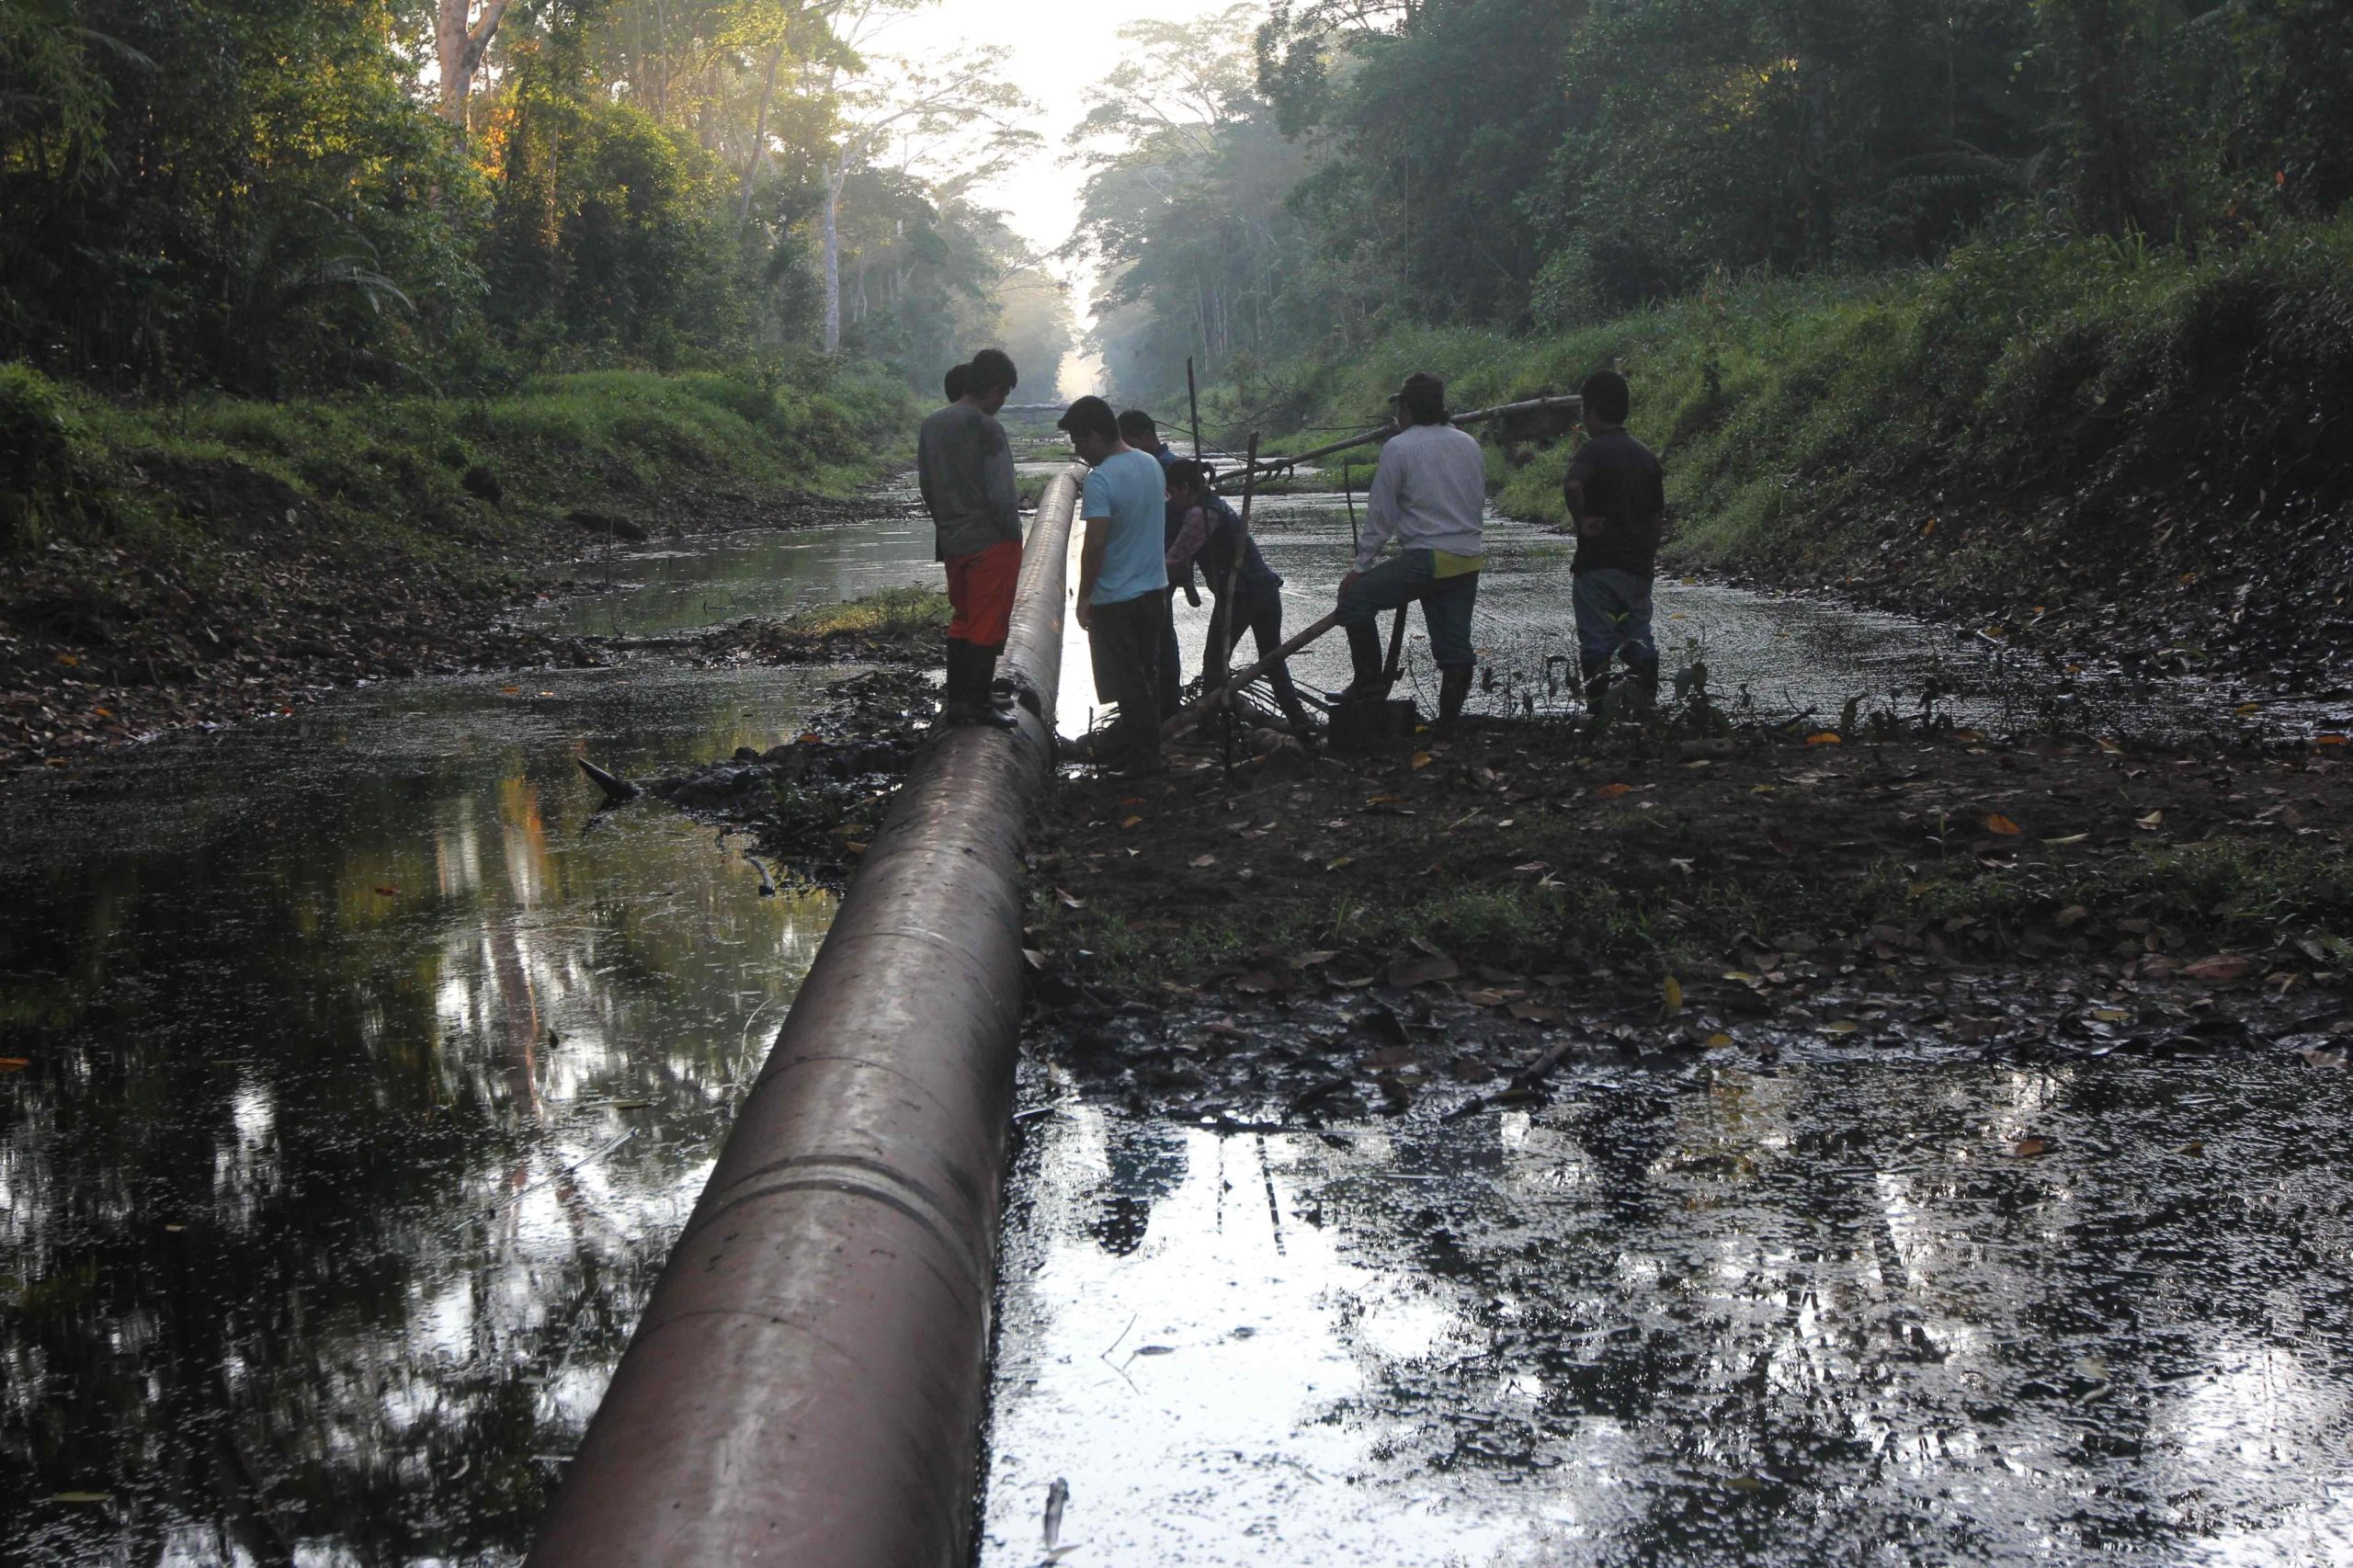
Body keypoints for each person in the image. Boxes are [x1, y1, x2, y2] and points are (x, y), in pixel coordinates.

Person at [1336, 371, 1486, 731]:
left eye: (1399, 408)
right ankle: (1447, 727)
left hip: (1426, 561)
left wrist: (1361, 566)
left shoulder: (1399, 447)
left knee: (1354, 603)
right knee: (1455, 650)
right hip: (1466, 559)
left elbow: (1381, 516)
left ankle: (1369, 684)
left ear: (1406, 409)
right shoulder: (1469, 443)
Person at [1164, 460, 1314, 736]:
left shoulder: (1200, 514)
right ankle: (1299, 721)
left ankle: (1210, 725)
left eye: (1171, 492)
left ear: (1185, 488)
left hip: (1241, 595)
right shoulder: (1216, 504)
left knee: (1214, 661)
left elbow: (1175, 559)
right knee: (1273, 659)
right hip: (1266, 590)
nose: (1170, 500)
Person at [1060, 394, 1168, 772]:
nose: (1079, 451)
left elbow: (1096, 542)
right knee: (1146, 675)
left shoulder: (1101, 479)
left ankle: (1144, 760)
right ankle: (1145, 749)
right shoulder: (1151, 465)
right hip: (1154, 592)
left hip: (1116, 598)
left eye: (1079, 441)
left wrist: (1084, 595)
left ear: (1095, 434)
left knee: (1127, 682)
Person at [915, 347, 1021, 727]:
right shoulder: (985, 426)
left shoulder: (932, 424)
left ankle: (960, 698)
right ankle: (977, 705)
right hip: (991, 540)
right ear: (993, 388)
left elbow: (927, 484)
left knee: (963, 618)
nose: (1002, 403)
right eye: (1004, 393)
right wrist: (1013, 534)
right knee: (988, 622)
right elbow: (1000, 493)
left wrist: (946, 525)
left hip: (953, 538)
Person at [1562, 368, 1665, 714]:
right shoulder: (1645, 455)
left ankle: (1598, 710)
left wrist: (1581, 522)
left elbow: (1573, 485)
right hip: (1636, 566)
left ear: (1589, 413)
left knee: (1596, 641)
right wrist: (1647, 556)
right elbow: (1656, 515)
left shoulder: (1592, 451)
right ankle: (1647, 702)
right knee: (1639, 634)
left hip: (1597, 564)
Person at [1119, 409, 1189, 716]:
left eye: (1131, 443)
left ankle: (1163, 705)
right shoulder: (1160, 465)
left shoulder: (1163, 469)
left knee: (1157, 635)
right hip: (1159, 562)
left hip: (1161, 563)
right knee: (1160, 632)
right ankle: (1164, 702)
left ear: (1146, 436)